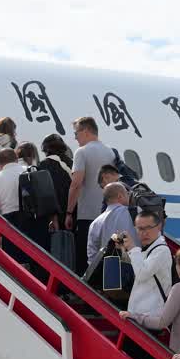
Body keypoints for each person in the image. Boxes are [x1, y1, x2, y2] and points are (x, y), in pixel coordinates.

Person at [67, 117, 118, 275]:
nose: (75, 138)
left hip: (87, 215)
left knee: (85, 257)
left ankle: (83, 293)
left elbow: (76, 183)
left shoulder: (82, 152)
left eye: (76, 134)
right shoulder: (110, 152)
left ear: (86, 131)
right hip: (107, 214)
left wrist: (69, 212)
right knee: (105, 257)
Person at [120, 211, 172, 319]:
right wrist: (123, 250)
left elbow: (141, 274)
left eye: (148, 228)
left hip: (151, 317)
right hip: (141, 316)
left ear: (159, 227)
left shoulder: (161, 250)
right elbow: (138, 267)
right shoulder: (150, 248)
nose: (144, 233)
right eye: (140, 229)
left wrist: (132, 248)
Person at [0, 148, 30, 264]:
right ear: (16, 159)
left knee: (14, 261)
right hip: (33, 218)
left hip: (10, 221)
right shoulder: (29, 171)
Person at [86, 183, 137, 269]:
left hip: (107, 275)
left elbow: (92, 258)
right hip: (134, 271)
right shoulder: (133, 213)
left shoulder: (95, 223)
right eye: (127, 194)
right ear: (120, 196)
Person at [38, 134, 74, 227]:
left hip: (54, 215)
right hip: (72, 211)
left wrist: (53, 217)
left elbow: (45, 193)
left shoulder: (44, 164)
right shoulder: (71, 163)